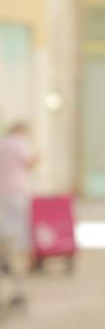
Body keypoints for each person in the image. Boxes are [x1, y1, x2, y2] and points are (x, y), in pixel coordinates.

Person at [0, 122, 36, 308]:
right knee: (21, 231)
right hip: (17, 191)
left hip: (2, 191)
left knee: (6, 226)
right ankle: (22, 256)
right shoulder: (19, 143)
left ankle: (5, 252)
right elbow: (30, 162)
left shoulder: (2, 143)